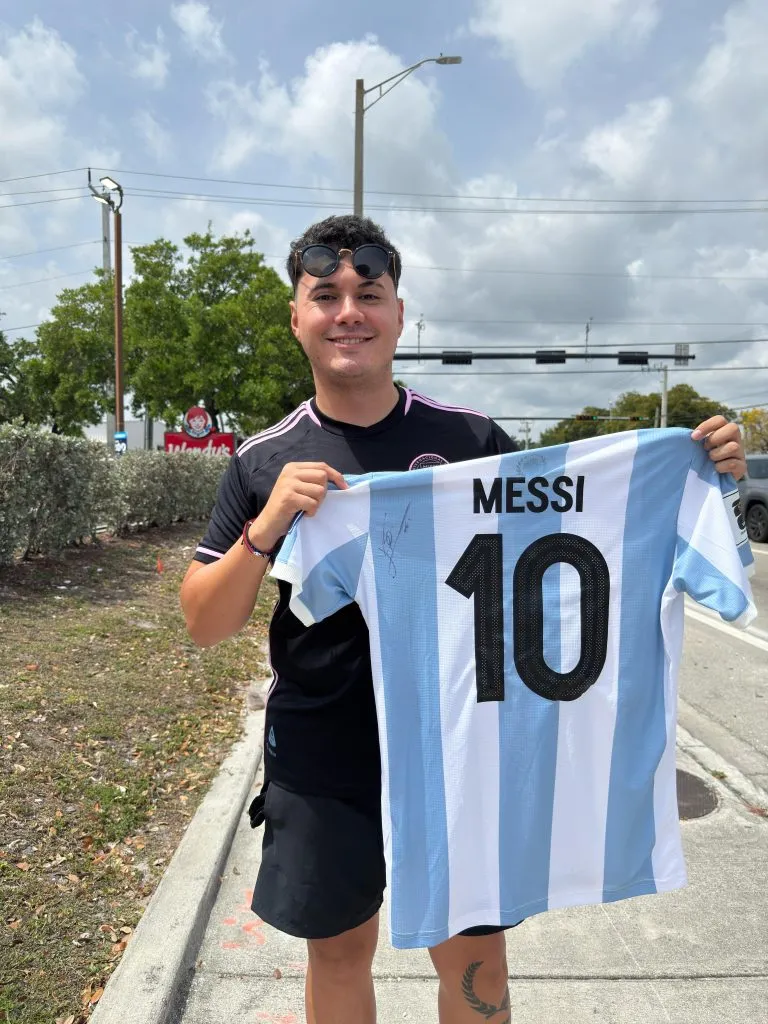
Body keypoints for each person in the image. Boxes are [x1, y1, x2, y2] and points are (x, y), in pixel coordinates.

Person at [180, 214, 747, 1024]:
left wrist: (692, 470)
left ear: (400, 315)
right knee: (339, 953)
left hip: (461, 750)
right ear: (297, 317)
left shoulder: (472, 440)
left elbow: (573, 538)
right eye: (327, 295)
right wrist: (265, 530)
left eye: (369, 294)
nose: (350, 312)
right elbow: (203, 622)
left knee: (477, 959)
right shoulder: (263, 459)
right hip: (326, 752)